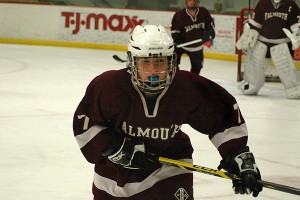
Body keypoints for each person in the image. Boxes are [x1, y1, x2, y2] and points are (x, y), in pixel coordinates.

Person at [73, 24, 262, 200]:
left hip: (170, 166)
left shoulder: (186, 87)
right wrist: (116, 148)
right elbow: (85, 124)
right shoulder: (109, 87)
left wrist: (237, 154)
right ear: (132, 63)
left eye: (160, 62)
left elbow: (222, 118)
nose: (153, 71)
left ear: (172, 61)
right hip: (114, 177)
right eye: (145, 62)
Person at [236, 0, 300, 99]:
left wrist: (297, 35)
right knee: (255, 67)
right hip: (262, 43)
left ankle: (294, 89)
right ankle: (251, 85)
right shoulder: (263, 3)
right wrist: (249, 31)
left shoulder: (291, 4)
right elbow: (256, 23)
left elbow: (296, 25)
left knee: (286, 68)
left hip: (282, 44)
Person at [171, 0, 215, 74]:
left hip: (197, 46)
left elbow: (210, 28)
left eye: (193, 0)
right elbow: (175, 31)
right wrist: (177, 41)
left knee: (197, 68)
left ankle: (192, 82)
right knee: (173, 65)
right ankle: (177, 79)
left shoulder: (203, 12)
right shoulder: (179, 14)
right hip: (182, 45)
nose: (191, 2)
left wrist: (208, 35)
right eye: (189, 0)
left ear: (197, 1)